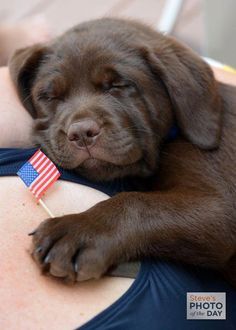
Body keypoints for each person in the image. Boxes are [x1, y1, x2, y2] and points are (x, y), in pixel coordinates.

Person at [1, 63, 236, 329]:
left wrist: (115, 220)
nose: (79, 127)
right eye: (54, 98)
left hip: (210, 301)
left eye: (116, 87)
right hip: (207, 301)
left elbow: (222, 223)